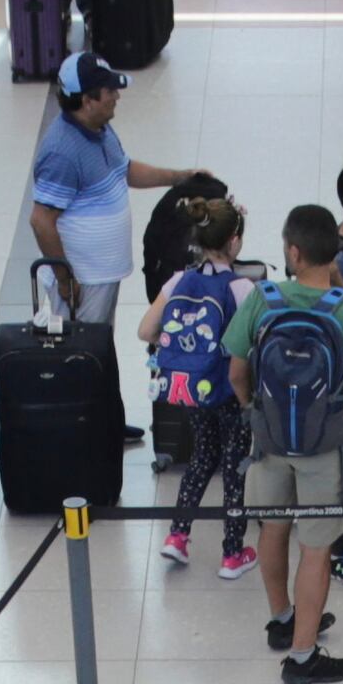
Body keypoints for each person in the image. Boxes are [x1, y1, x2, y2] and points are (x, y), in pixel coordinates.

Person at [232, 201, 343, 684]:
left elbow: (236, 370)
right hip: (324, 450)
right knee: (316, 549)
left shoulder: (261, 299)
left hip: (269, 442)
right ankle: (302, 657)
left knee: (272, 529)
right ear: (333, 253)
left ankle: (282, 620)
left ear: (292, 251)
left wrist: (257, 412)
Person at [28, 52, 184, 357]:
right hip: (83, 280)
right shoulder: (61, 152)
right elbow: (40, 220)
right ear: (87, 100)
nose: (117, 97)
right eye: (109, 92)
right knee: (79, 354)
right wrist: (65, 281)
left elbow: (124, 170)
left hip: (101, 275)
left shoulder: (98, 126)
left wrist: (180, 178)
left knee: (97, 345)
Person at [145, 185, 246, 569]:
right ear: (233, 242)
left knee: (202, 456)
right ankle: (233, 554)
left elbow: (145, 330)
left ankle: (178, 535)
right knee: (234, 466)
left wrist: (177, 348)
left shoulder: (177, 282)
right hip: (229, 390)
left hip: (192, 389)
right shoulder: (240, 287)